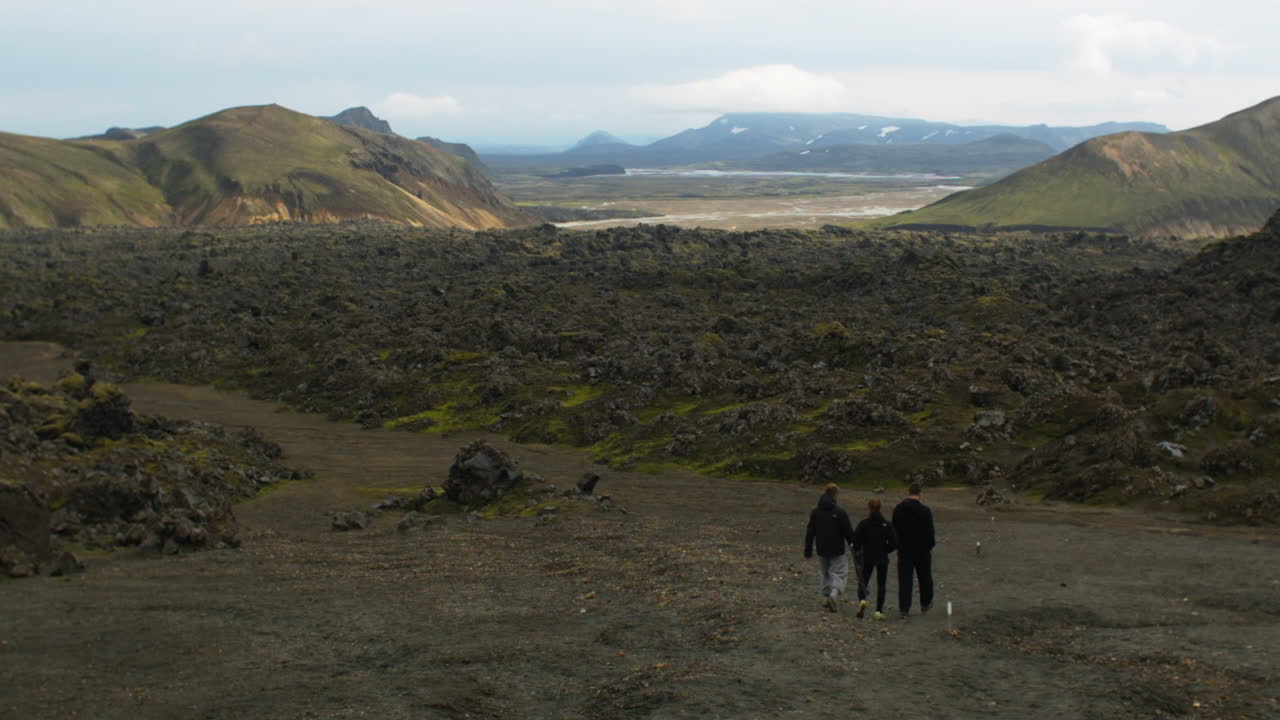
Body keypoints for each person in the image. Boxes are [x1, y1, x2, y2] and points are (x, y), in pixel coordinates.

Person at [803, 483, 857, 613]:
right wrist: (854, 545)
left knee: (825, 572)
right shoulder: (840, 512)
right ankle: (833, 595)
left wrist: (808, 550)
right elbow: (848, 532)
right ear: (835, 494)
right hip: (837, 548)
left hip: (821, 548)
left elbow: (810, 531)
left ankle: (826, 596)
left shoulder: (815, 512)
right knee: (840, 572)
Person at [892, 481, 935, 618]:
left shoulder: (898, 510)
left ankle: (904, 608)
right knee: (925, 577)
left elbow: (894, 530)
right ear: (919, 494)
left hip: (904, 549)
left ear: (908, 492)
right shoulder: (925, 511)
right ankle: (925, 603)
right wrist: (929, 545)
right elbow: (930, 532)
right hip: (922, 550)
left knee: (905, 579)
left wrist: (897, 545)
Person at [852, 498, 897, 620]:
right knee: (881, 583)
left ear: (869, 508)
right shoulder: (887, 524)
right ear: (880, 508)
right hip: (882, 557)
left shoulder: (864, 524)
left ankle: (862, 599)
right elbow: (894, 542)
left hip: (868, 556)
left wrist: (858, 549)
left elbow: (855, 541)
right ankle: (878, 610)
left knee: (864, 580)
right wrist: (886, 549)